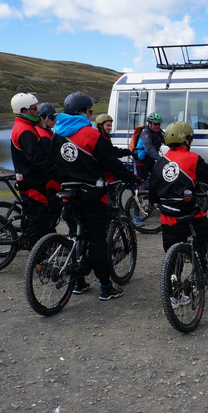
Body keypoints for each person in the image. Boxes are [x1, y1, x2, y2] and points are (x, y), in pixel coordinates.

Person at [50, 92, 138, 301]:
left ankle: (79, 282)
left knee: (75, 236)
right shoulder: (90, 134)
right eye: (91, 111)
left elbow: (53, 164)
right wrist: (131, 178)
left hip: (67, 193)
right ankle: (106, 287)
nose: (91, 114)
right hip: (91, 195)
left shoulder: (56, 134)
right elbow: (111, 163)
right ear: (84, 112)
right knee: (98, 241)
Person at [150, 121, 208, 294]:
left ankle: (174, 297)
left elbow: (153, 193)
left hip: (167, 218)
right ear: (187, 140)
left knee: (173, 257)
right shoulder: (192, 159)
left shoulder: (160, 162)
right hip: (188, 216)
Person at [10, 92, 54, 247]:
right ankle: (38, 260)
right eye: (34, 109)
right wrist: (55, 172)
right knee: (38, 221)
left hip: (30, 181)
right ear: (24, 111)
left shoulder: (25, 126)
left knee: (36, 218)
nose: (37, 112)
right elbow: (37, 159)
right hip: (33, 182)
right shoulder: (26, 131)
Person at [134, 113, 165, 182]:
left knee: (157, 177)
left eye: (159, 124)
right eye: (155, 124)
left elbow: (167, 141)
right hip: (141, 161)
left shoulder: (159, 132)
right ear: (149, 124)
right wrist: (160, 158)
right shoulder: (145, 133)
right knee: (141, 181)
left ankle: (152, 191)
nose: (157, 126)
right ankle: (137, 192)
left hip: (150, 160)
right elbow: (149, 148)